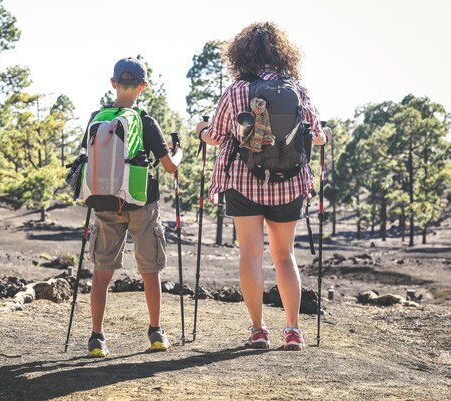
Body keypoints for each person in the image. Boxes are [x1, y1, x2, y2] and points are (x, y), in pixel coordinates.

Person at [195, 22, 331, 350]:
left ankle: (258, 330)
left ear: (242, 53)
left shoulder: (237, 90)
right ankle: (294, 330)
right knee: (284, 256)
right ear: (283, 53)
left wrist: (201, 131)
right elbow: (316, 136)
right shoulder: (297, 89)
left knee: (250, 255)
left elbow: (216, 136)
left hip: (243, 183)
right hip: (289, 186)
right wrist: (325, 133)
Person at [82, 57, 183, 357]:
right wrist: (179, 154)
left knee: (102, 271)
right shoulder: (147, 122)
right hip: (142, 203)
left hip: (105, 202)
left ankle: (96, 338)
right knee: (149, 269)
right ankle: (155, 332)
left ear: (113, 83)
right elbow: (168, 167)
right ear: (143, 86)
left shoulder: (95, 118)